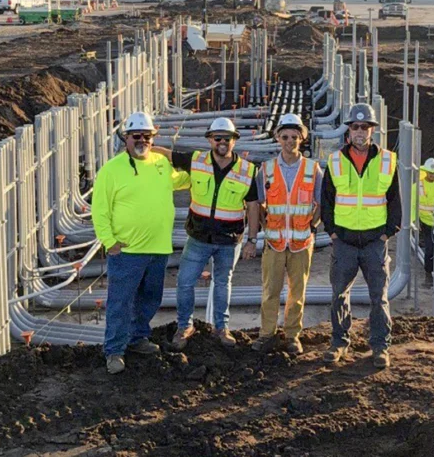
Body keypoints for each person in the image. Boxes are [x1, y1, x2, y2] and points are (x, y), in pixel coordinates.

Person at [92, 112, 190, 375]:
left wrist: (209, 167)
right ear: (126, 138)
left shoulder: (160, 163)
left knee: (150, 298)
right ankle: (114, 350)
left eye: (148, 136)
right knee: (120, 302)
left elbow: (185, 180)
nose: (142, 141)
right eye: (137, 136)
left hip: (157, 249)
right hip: (126, 251)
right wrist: (109, 241)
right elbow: (100, 210)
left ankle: (137, 339)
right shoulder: (111, 170)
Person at [153, 117, 258, 351]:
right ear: (210, 139)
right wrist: (144, 147)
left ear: (234, 141)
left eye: (227, 138)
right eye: (217, 138)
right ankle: (184, 326)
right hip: (198, 237)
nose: (222, 142)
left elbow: (253, 206)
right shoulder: (197, 160)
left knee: (223, 283)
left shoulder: (247, 171)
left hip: (229, 240)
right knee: (184, 282)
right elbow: (168, 155)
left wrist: (252, 239)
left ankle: (222, 328)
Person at [321, 103, 401, 369]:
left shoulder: (388, 160)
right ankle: (340, 342)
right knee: (339, 294)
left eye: (365, 127)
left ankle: (380, 347)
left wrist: (388, 232)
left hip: (373, 242)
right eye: (355, 127)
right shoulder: (335, 161)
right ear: (348, 130)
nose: (359, 131)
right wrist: (331, 231)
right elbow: (327, 200)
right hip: (343, 241)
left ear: (372, 130)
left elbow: (395, 200)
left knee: (379, 297)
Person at [245, 114, 322, 355]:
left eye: (294, 137)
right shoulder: (266, 170)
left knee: (297, 293)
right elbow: (256, 205)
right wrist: (252, 238)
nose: (290, 141)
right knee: (270, 291)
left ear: (302, 138)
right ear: (278, 138)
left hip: (301, 243)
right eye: (285, 137)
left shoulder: (313, 169)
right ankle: (267, 334)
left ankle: (292, 335)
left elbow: (320, 203)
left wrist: (312, 226)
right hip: (274, 242)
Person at [416, 158, 434, 276]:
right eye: (430, 173)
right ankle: (429, 271)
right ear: (425, 171)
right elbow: (412, 203)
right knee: (430, 247)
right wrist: (413, 221)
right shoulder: (419, 185)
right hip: (425, 221)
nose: (432, 175)